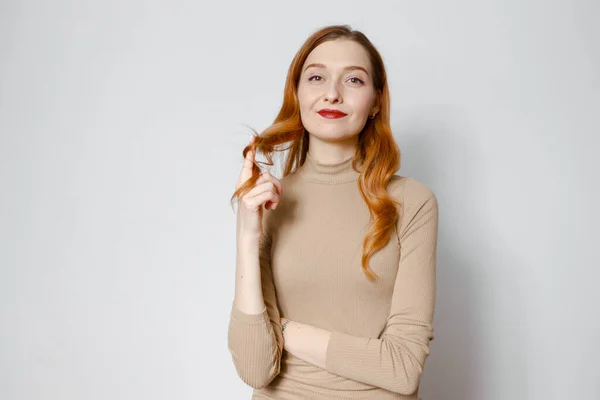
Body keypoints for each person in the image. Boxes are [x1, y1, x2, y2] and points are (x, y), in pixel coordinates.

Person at [228, 24, 439, 400]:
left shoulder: (411, 202)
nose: (332, 93)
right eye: (316, 77)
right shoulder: (270, 203)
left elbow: (402, 368)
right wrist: (248, 234)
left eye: (353, 80)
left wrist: (284, 331)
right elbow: (256, 367)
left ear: (376, 101)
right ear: (297, 92)